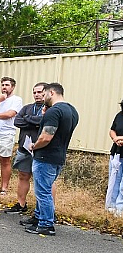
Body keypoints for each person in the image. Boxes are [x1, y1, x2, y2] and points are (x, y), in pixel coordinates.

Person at [25, 83, 79, 236]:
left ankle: (46, 224)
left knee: (43, 191)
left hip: (45, 157)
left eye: (45, 94)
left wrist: (34, 146)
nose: (42, 97)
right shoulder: (72, 111)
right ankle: (38, 217)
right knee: (44, 189)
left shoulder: (54, 111)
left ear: (52, 93)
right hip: (59, 156)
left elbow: (46, 136)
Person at [5, 82, 46, 214]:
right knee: (23, 175)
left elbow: (43, 122)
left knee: (44, 180)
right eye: (34, 92)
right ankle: (21, 204)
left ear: (47, 92)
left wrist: (28, 120)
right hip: (24, 148)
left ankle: (45, 210)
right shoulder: (27, 107)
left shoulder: (50, 109)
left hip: (41, 148)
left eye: (39, 92)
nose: (37, 95)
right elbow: (17, 121)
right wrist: (34, 121)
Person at [0, 77, 23, 194]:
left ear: (12, 87)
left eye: (7, 85)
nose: (4, 87)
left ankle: (4, 187)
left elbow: (10, 114)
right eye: (2, 85)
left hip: (7, 134)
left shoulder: (17, 100)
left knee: (5, 160)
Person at [106, 98, 123, 217]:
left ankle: (120, 208)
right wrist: (115, 138)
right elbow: (112, 130)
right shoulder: (120, 115)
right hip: (116, 152)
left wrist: (120, 138)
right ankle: (111, 206)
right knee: (114, 181)